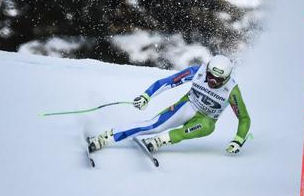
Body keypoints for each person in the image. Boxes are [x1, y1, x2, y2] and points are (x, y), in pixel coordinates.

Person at [87, 55, 250, 155]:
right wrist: (146, 96)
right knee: (153, 126)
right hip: (187, 106)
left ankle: (161, 140)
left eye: (218, 80)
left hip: (204, 120)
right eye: (210, 76)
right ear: (206, 70)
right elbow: (167, 82)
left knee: (208, 126)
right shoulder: (197, 72)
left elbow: (244, 118)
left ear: (227, 78)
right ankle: (107, 137)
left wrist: (238, 140)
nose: (213, 82)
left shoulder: (232, 91)